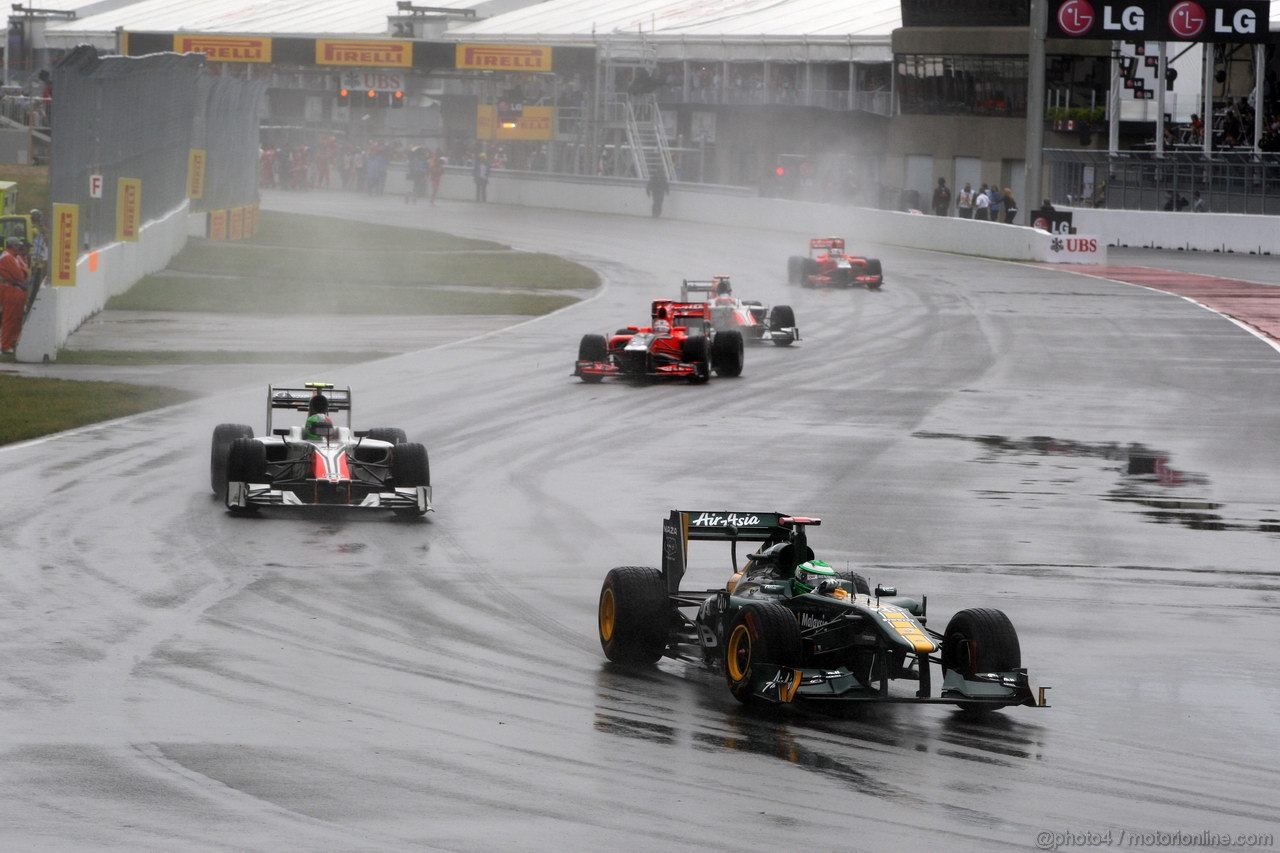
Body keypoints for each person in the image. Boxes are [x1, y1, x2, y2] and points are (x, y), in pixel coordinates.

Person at [0, 236, 30, 354]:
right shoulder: (7, 257)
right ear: (12, 246)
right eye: (18, 246)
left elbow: (24, 273)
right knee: (10, 318)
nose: (20, 248)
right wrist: (24, 271)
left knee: (16, 319)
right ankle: (6, 345)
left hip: (15, 291)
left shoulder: (14, 257)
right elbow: (20, 275)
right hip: (10, 290)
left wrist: (24, 271)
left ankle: (11, 343)